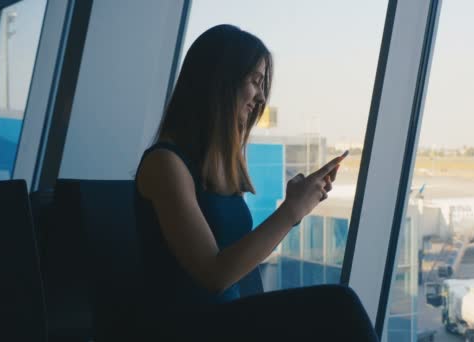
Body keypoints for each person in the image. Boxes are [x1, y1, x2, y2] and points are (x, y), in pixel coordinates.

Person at [134, 24, 378, 341]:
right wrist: (292, 211)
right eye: (255, 81)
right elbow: (215, 274)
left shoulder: (213, 167)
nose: (261, 96)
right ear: (221, 82)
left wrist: (296, 207)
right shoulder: (165, 165)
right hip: (189, 330)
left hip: (226, 322)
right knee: (339, 306)